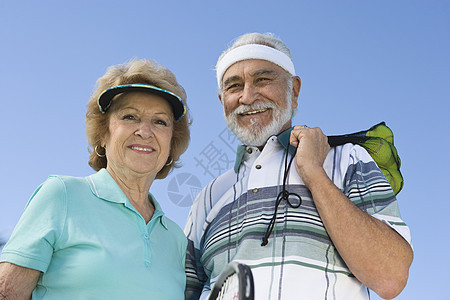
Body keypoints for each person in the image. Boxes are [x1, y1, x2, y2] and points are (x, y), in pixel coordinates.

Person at [184, 33, 413, 300]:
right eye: (234, 86)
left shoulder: (346, 160)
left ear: (294, 91)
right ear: (222, 101)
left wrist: (314, 173)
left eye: (262, 79)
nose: (247, 96)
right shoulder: (208, 197)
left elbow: (390, 277)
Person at [0, 59, 191, 299]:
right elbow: (7, 293)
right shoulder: (62, 195)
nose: (145, 131)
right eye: (129, 117)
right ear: (103, 133)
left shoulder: (175, 238)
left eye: (160, 121)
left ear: (172, 142)